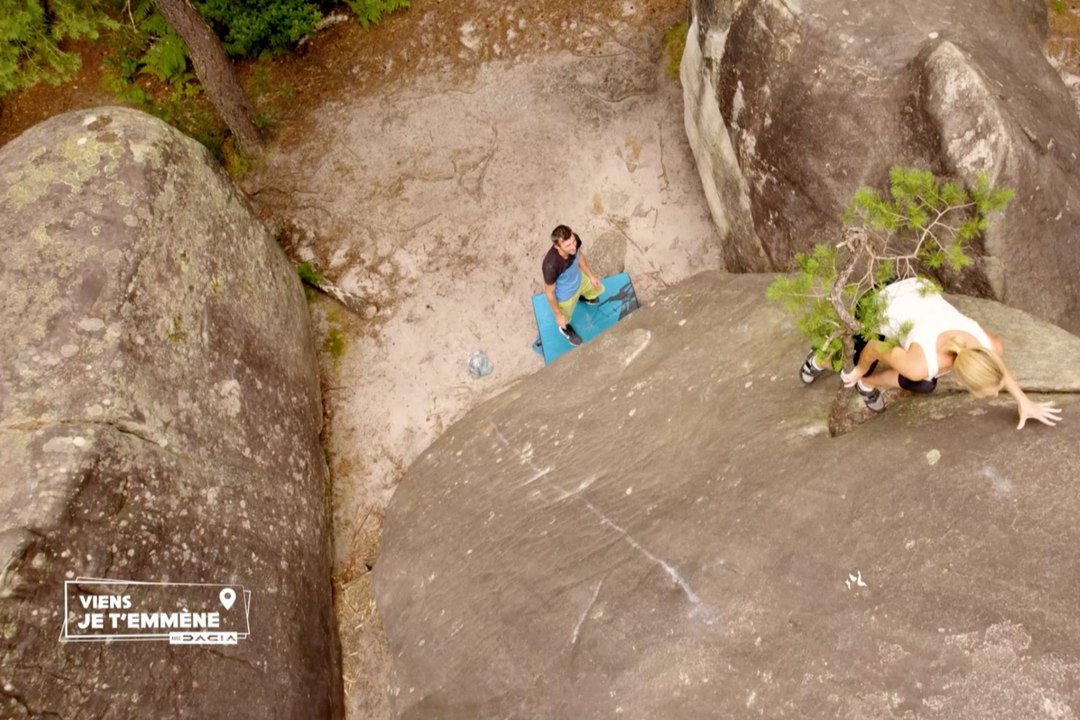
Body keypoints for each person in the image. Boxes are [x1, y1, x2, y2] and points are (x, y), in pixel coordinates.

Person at [800, 277, 1062, 429]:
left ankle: (866, 384)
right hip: (879, 302)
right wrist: (857, 369)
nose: (996, 393)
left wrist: (1022, 400)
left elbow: (996, 368)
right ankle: (820, 359)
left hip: (916, 290)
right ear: (961, 380)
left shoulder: (990, 346)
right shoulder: (921, 363)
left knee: (925, 384)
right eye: (989, 391)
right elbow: (875, 347)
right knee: (852, 363)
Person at [542, 225, 605, 346]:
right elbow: (549, 293)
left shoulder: (574, 240)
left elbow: (579, 256)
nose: (573, 247)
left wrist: (591, 276)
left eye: (573, 242)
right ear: (557, 246)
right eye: (567, 245)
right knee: (564, 320)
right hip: (566, 296)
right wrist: (558, 314)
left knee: (595, 289)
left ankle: (585, 297)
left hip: (580, 280)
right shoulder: (550, 265)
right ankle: (565, 330)